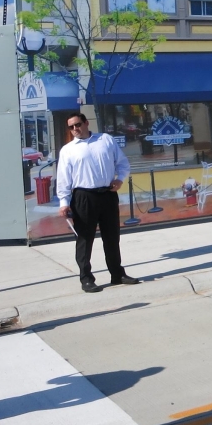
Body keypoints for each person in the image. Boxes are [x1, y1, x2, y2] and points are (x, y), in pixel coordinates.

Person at [56, 112, 140, 292]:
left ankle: (117, 274)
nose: (75, 129)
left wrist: (120, 179)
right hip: (84, 197)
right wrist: (64, 202)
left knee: (112, 237)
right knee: (85, 239)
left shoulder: (106, 140)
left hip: (107, 194)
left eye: (77, 124)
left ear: (86, 123)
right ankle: (86, 278)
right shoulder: (68, 150)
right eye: (71, 127)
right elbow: (63, 178)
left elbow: (123, 163)